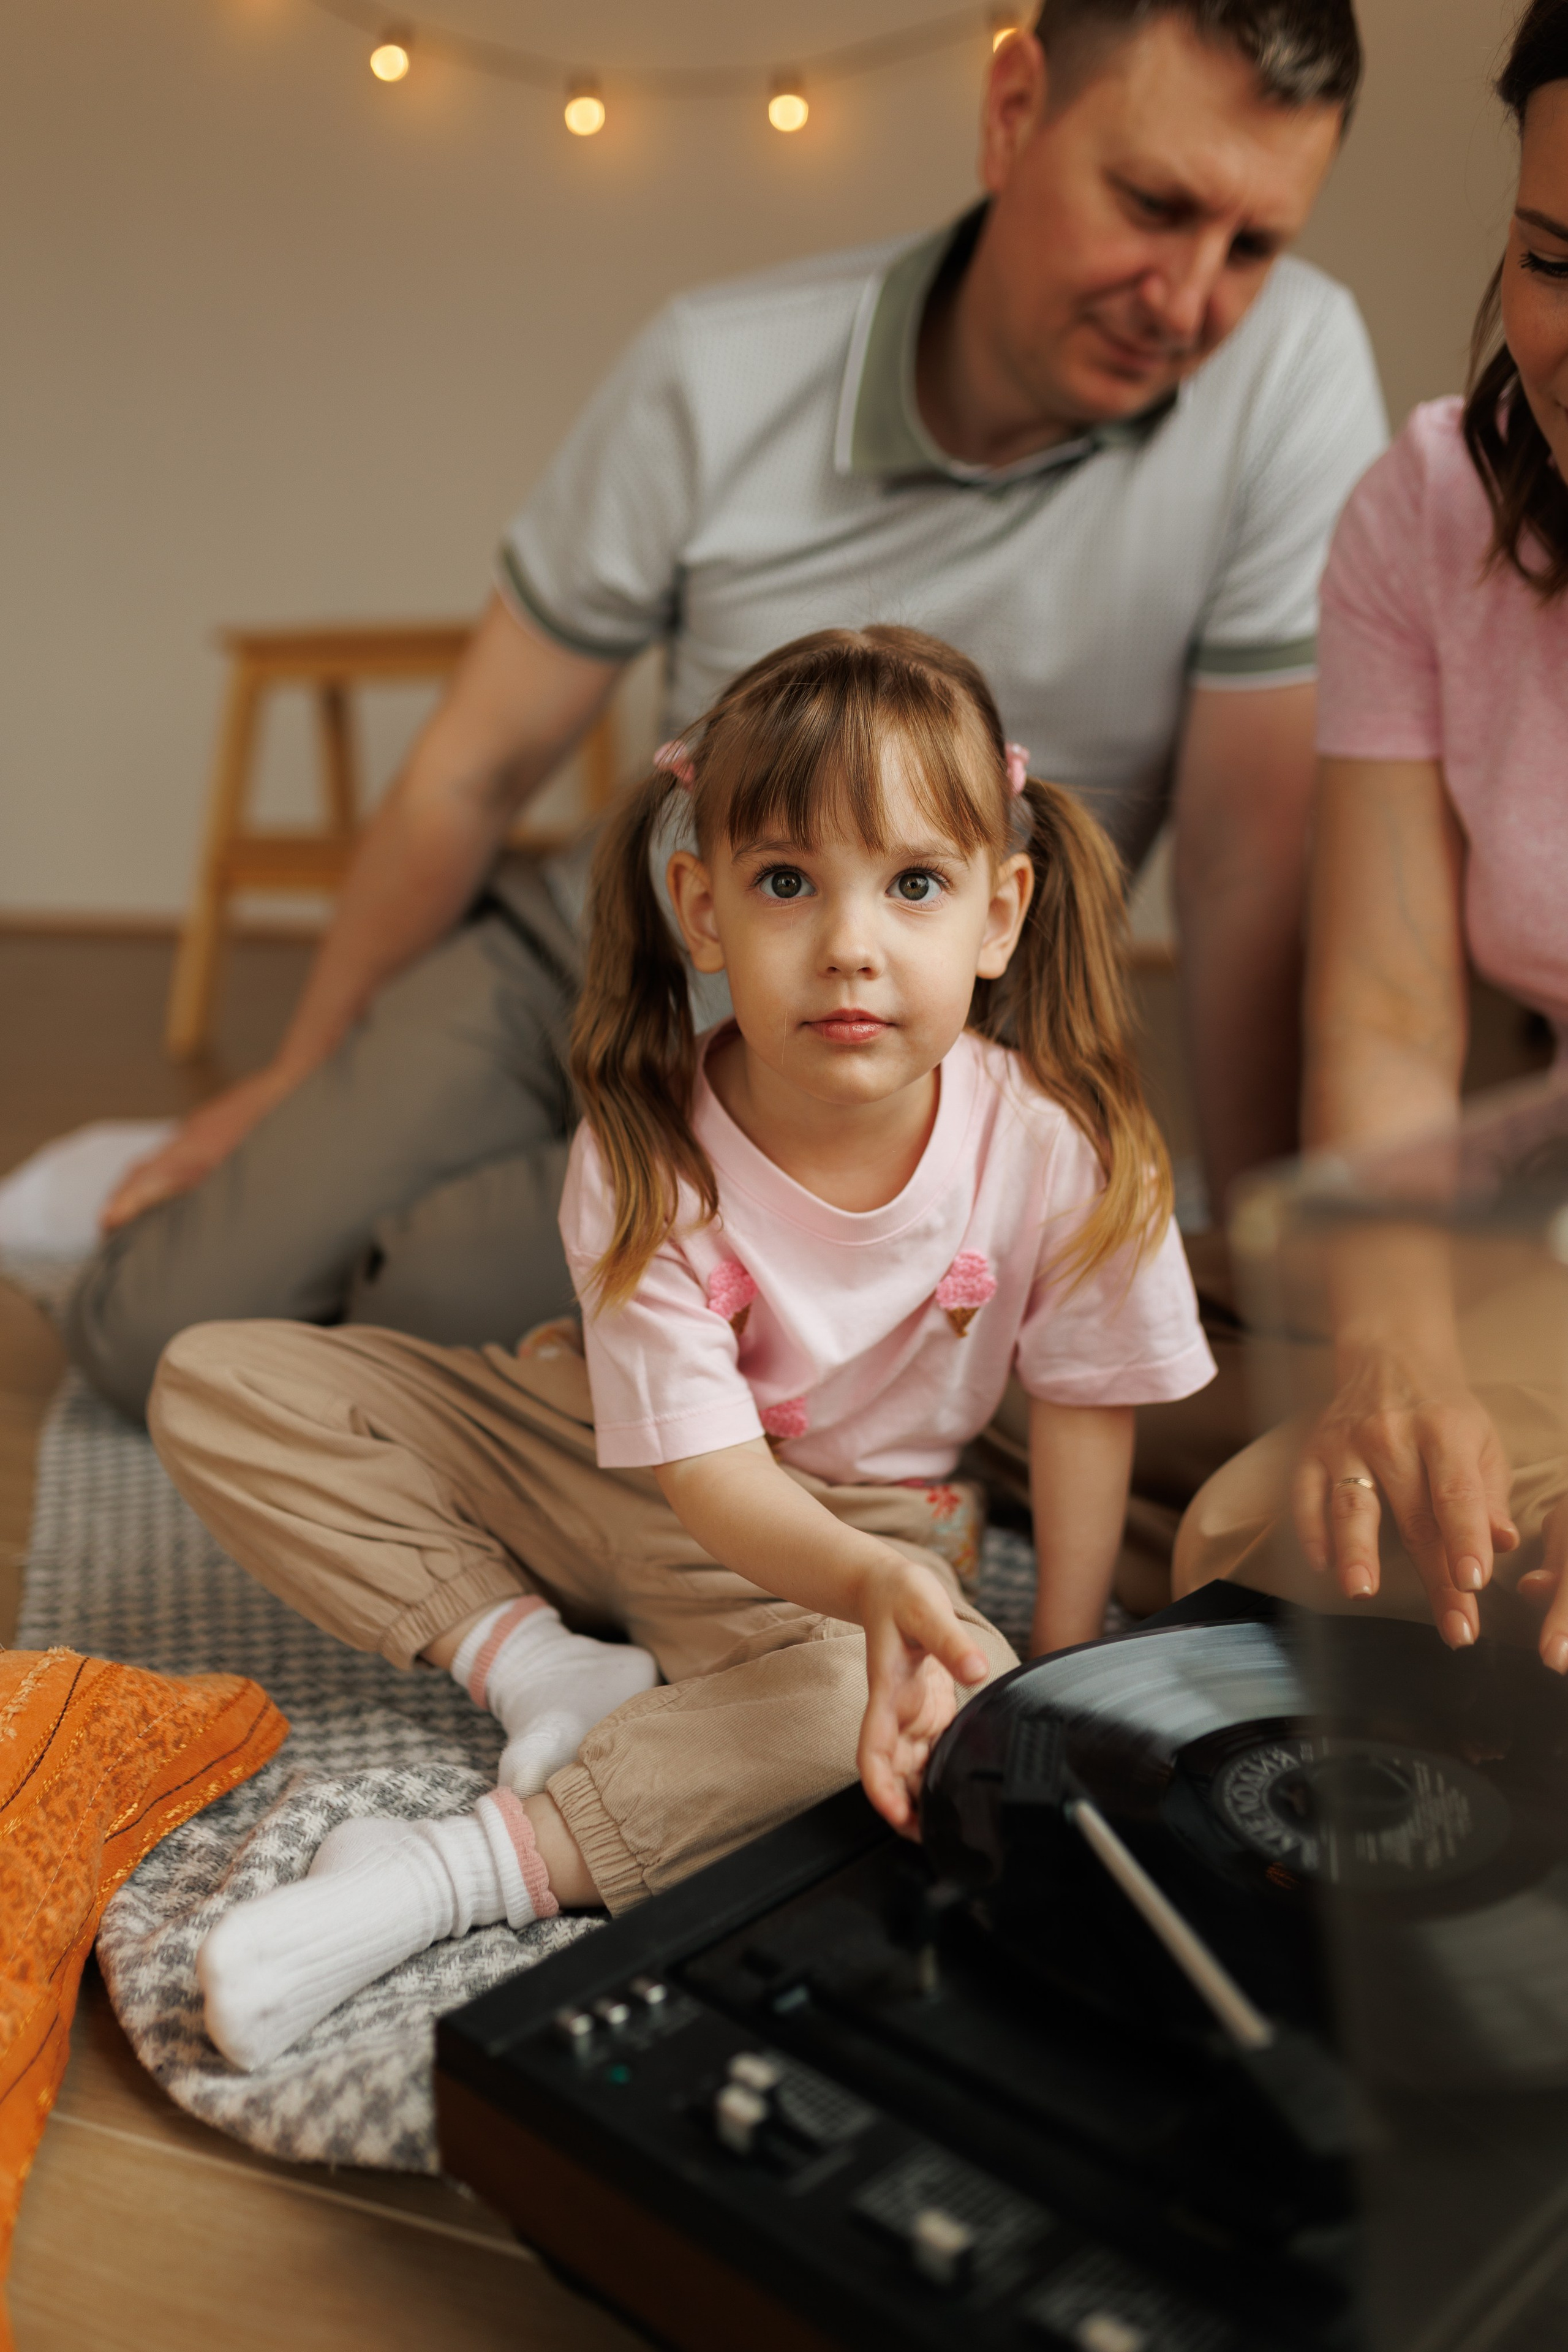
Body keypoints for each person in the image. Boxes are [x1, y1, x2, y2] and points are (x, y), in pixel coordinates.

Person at [68, 0, 1382, 1427]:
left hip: (854, 1066)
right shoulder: (716, 365)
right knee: (150, 1326)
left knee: (424, 1289)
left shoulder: (1290, 370)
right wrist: (298, 1076)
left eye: (1250, 246)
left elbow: (1249, 870)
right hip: (593, 952)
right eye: (1150, 205)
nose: (1185, 302)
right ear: (1012, 113)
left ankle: (474, 1297)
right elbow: (474, 764)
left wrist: (1269, 1263)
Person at [146, 627, 1215, 2070]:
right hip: (601, 1449)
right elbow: (704, 1476)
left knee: (869, 1711)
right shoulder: (645, 1147)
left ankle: (455, 1871)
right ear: (701, 910)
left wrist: (1054, 1669)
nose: (849, 945)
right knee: (216, 1378)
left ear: (999, 914)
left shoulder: (1056, 1148)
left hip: (842, 1536)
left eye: (912, 885)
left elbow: (1085, 1401)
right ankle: (536, 1664)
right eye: (787, 883)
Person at [1173, 0, 1568, 1671]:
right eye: (1553, 262)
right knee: (1259, 1524)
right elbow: (1394, 1019)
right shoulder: (1427, 513)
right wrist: (1392, 1358)